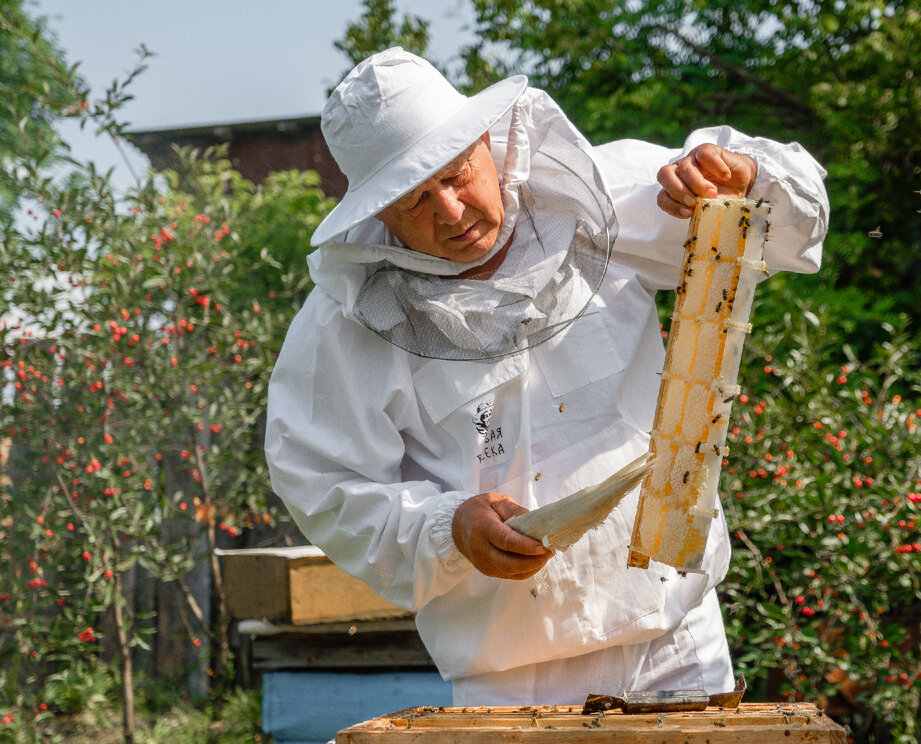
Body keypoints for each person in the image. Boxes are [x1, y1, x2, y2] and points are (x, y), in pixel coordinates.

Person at [265, 47, 828, 706]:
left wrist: (740, 174)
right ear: (377, 212)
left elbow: (789, 211)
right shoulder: (344, 321)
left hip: (676, 642)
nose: (449, 211)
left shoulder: (588, 192)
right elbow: (325, 485)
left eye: (456, 175)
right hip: (512, 678)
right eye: (415, 200)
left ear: (488, 142)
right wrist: (448, 529)